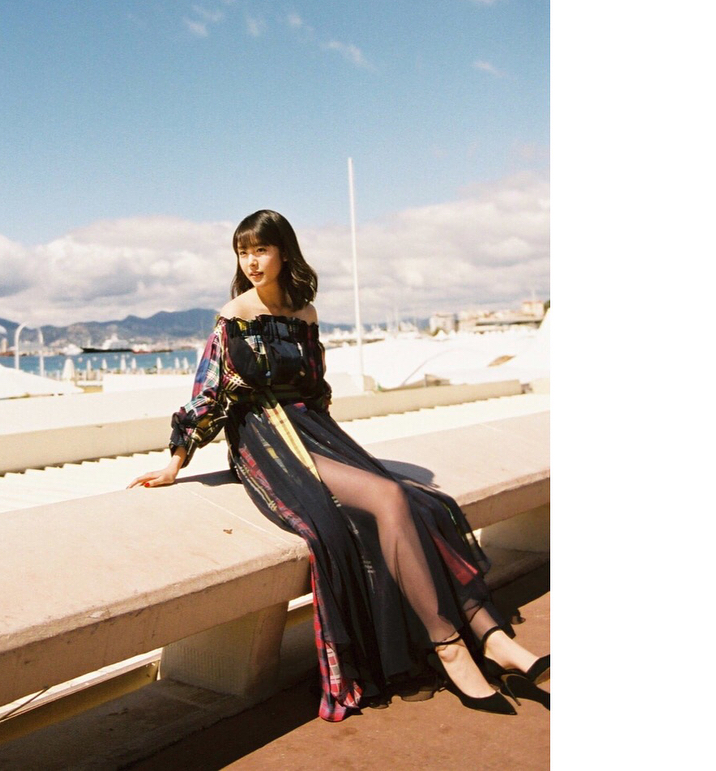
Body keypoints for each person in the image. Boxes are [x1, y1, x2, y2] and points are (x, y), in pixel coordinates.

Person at [128, 209, 548, 721]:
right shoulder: (234, 315)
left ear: (283, 252)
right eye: (243, 252)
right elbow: (208, 392)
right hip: (267, 439)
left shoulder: (305, 314)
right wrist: (176, 461)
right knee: (388, 496)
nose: (251, 262)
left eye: (261, 250)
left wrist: (335, 442)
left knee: (421, 505)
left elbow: (316, 388)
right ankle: (450, 647)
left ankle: (492, 635)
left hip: (314, 429)